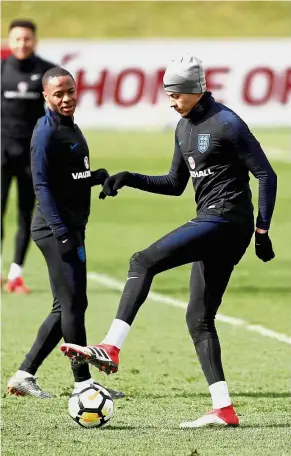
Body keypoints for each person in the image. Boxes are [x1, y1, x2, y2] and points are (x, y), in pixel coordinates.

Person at [60, 55, 277, 427]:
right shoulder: (182, 127)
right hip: (214, 223)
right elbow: (175, 184)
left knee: (142, 261)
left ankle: (110, 346)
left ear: (195, 90)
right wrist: (128, 177)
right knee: (198, 318)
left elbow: (266, 174)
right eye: (168, 94)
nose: (170, 101)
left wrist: (262, 229)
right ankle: (223, 409)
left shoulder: (227, 123)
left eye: (175, 94)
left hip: (225, 220)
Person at [7, 67, 124, 400]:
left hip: (70, 227)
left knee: (69, 305)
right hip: (54, 230)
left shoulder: (69, 126)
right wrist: (61, 231)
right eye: (58, 94)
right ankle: (83, 385)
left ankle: (24, 375)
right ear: (46, 96)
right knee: (73, 304)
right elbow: (41, 185)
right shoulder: (45, 132)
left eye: (70, 91)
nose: (66, 98)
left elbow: (69, 176)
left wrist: (96, 176)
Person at [1, 19, 56, 293]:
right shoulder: (1, 69)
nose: (22, 43)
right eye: (17, 39)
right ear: (9, 41)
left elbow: (58, 113)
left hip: (31, 155)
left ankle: (15, 275)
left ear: (34, 40)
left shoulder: (46, 71)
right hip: (1, 154)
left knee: (26, 215)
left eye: (27, 39)